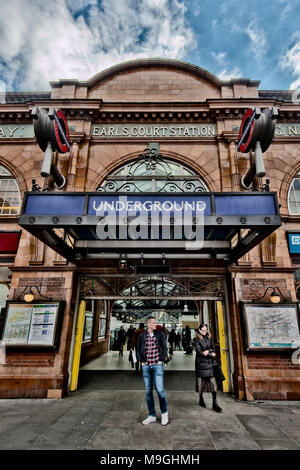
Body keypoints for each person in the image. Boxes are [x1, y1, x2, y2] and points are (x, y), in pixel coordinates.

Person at [137, 316, 169, 426]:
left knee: (160, 390)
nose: (156, 324)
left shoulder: (159, 334)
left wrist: (162, 359)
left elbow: (165, 347)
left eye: (155, 323)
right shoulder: (142, 335)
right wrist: (141, 361)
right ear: (148, 324)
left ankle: (164, 413)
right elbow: (138, 348)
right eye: (154, 323)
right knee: (148, 391)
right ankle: (152, 415)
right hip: (146, 366)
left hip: (157, 365)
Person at [194, 323, 222, 412]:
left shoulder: (209, 338)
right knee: (201, 382)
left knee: (213, 383)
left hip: (210, 364)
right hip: (201, 364)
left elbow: (213, 348)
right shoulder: (196, 339)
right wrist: (210, 353)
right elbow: (199, 352)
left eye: (206, 330)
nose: (204, 332)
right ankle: (201, 398)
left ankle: (215, 403)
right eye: (203, 330)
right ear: (199, 330)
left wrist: (208, 351)